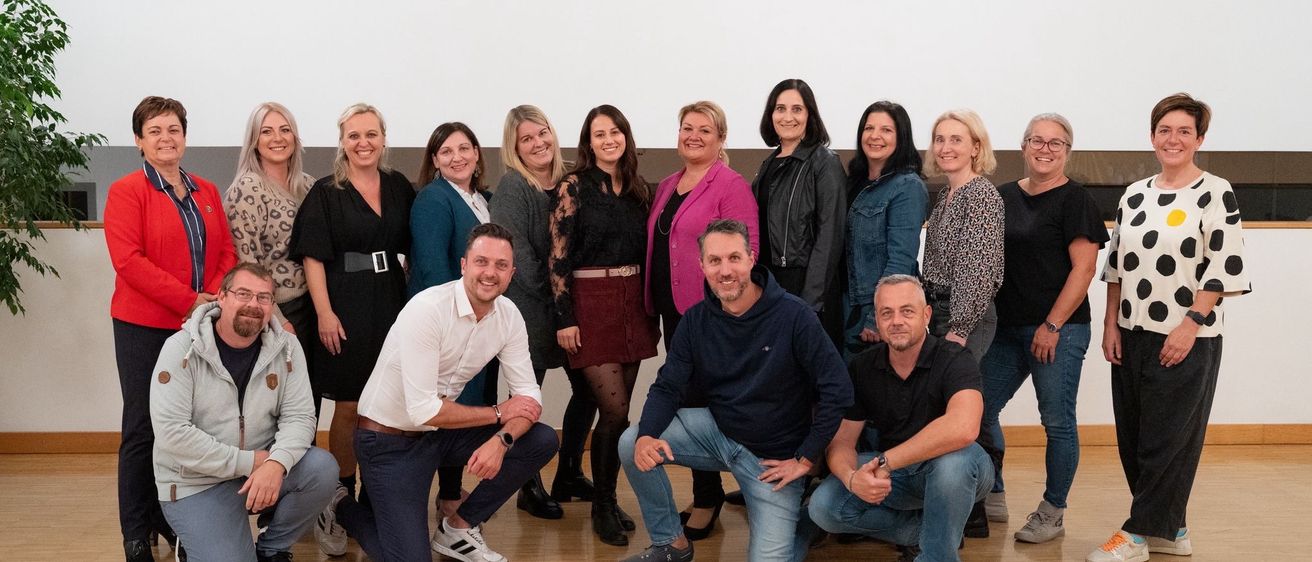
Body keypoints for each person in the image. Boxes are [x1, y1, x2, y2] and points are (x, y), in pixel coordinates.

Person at [314, 223, 558, 562]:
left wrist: (501, 441)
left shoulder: (509, 316)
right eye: (481, 262)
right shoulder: (427, 308)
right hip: (387, 442)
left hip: (437, 436)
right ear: (463, 265)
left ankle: (457, 529)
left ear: (512, 272)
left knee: (543, 440)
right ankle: (338, 503)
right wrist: (499, 414)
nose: (490, 273)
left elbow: (530, 400)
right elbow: (422, 411)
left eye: (501, 265)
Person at [619, 219, 852, 562]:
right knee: (632, 441)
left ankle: (806, 523)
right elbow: (668, 386)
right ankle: (672, 544)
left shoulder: (794, 316)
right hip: (718, 433)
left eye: (734, 258)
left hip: (771, 461)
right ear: (702, 266)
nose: (725, 270)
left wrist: (805, 458)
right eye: (714, 261)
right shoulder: (695, 320)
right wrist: (647, 436)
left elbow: (839, 390)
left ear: (751, 259)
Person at [1088, 93, 1250, 562]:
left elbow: (1224, 265)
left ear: (1200, 139)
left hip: (1187, 337)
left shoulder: (1215, 191)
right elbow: (1116, 266)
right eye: (1165, 130)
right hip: (1131, 333)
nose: (1173, 139)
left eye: (1184, 131)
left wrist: (1191, 323)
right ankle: (1172, 528)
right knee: (1135, 437)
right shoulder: (1134, 193)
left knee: (1167, 439)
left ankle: (1137, 535)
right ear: (1152, 136)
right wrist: (1110, 324)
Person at [104, 95, 237, 561]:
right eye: (155, 130)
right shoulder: (126, 191)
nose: (166, 138)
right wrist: (190, 300)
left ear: (185, 136)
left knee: (187, 426)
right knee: (143, 426)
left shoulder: (207, 191)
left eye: (174, 129)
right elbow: (129, 262)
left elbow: (226, 254)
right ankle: (137, 532)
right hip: (145, 326)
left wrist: (212, 299)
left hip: (199, 327)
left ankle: (172, 518)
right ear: (139, 141)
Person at [150, 263, 338, 562]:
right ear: (221, 298)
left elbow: (300, 417)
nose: (254, 305)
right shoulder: (180, 349)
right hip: (197, 482)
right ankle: (194, 542)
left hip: (259, 469)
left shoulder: (287, 347)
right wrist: (250, 461)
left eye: (264, 298)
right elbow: (173, 434)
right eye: (243, 294)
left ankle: (272, 549)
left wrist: (276, 464)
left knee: (322, 469)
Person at [977, 113, 1108, 543]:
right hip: (1005, 329)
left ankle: (1053, 510)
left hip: (1059, 330)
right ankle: (992, 489)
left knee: (1056, 421)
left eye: (1056, 143)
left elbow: (1084, 270)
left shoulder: (1076, 201)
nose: (1045, 149)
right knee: (978, 408)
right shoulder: (1002, 197)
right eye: (1037, 141)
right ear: (1023, 146)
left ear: (1067, 151)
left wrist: (1052, 325)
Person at [807, 275, 993, 562]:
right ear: (877, 320)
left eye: (907, 311)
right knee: (824, 507)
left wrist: (886, 461)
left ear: (926, 314)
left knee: (953, 464)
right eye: (886, 313)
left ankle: (935, 555)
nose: (896, 321)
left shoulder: (954, 358)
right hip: (897, 474)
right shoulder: (863, 366)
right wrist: (851, 478)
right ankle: (932, 531)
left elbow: (964, 428)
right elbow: (841, 441)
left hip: (962, 469)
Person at [288, 103, 414, 507]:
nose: (364, 143)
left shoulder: (398, 186)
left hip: (391, 299)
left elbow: (413, 247)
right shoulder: (327, 192)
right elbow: (313, 258)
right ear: (342, 142)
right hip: (344, 301)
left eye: (371, 134)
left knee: (389, 400)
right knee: (349, 401)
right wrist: (325, 313)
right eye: (354, 135)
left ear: (383, 138)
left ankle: (378, 490)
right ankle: (342, 490)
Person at [644, 100, 759, 540]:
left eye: (704, 130)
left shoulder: (730, 185)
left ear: (721, 139)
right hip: (674, 314)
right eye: (686, 128)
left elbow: (748, 252)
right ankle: (704, 490)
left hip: (709, 313)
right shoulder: (669, 184)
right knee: (686, 398)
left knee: (702, 401)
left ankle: (709, 497)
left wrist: (726, 306)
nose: (693, 135)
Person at [548, 104, 658, 546]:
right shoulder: (573, 186)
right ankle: (602, 505)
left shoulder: (636, 189)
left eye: (616, 132)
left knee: (615, 410)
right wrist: (564, 318)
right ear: (588, 143)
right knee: (614, 411)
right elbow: (557, 257)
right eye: (599, 134)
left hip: (632, 303)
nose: (609, 139)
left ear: (626, 137)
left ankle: (596, 493)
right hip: (588, 303)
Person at [488, 105, 597, 520]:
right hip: (530, 312)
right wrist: (558, 302)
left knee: (588, 390)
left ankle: (568, 472)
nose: (538, 144)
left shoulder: (572, 180)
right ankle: (526, 486)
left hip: (571, 309)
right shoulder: (514, 187)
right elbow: (519, 258)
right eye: (526, 139)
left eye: (542, 133)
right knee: (525, 402)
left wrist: (570, 304)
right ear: (515, 148)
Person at [407, 122, 503, 520]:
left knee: (469, 402)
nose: (457, 157)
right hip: (450, 319)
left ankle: (449, 490)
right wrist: (459, 317)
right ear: (434, 160)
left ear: (478, 154)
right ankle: (444, 496)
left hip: (482, 318)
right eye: (446, 151)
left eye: (464, 148)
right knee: (448, 404)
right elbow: (430, 267)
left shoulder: (483, 199)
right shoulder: (434, 198)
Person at [224, 102, 319, 408]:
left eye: (284, 129)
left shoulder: (309, 186)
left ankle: (308, 458)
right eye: (266, 131)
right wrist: (276, 318)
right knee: (280, 402)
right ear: (254, 140)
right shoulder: (247, 189)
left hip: (313, 305)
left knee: (309, 397)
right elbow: (247, 264)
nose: (277, 138)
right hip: (280, 309)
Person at [750, 78, 847, 347]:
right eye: (780, 109)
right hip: (770, 284)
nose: (787, 117)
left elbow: (829, 237)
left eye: (797, 109)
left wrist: (810, 302)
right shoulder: (768, 163)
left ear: (810, 115)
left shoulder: (825, 162)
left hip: (806, 286)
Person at [843, 101, 929, 358]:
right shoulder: (854, 183)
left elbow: (901, 259)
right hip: (848, 304)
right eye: (869, 128)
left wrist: (878, 316)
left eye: (886, 130)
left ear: (901, 137)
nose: (875, 136)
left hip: (872, 310)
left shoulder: (907, 187)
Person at [921, 108, 1004, 361]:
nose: (946, 147)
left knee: (958, 396)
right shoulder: (947, 194)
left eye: (956, 139)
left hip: (963, 317)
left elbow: (976, 269)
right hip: (940, 310)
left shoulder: (981, 195)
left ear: (976, 148)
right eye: (940, 139)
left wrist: (960, 327)